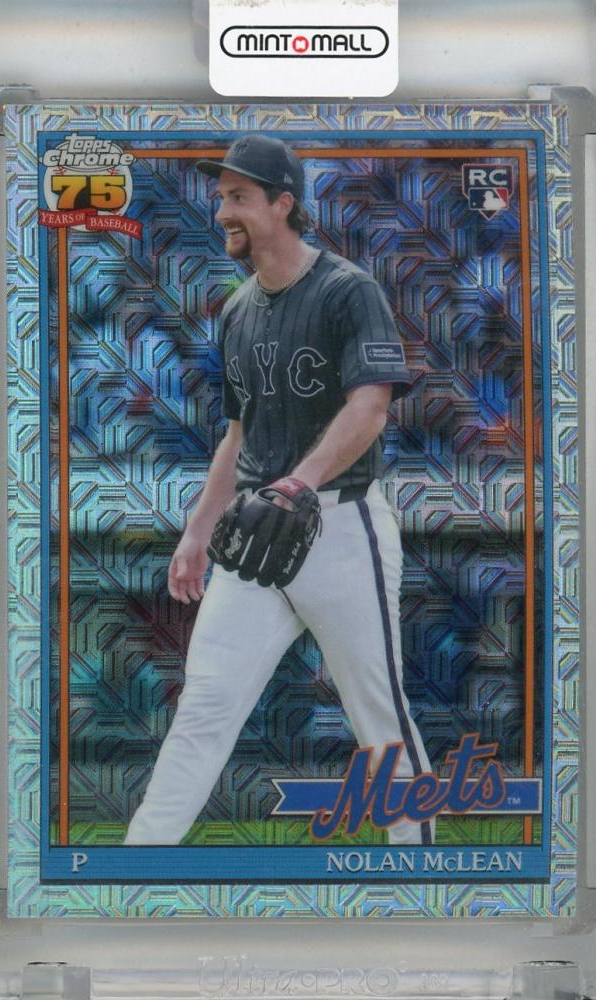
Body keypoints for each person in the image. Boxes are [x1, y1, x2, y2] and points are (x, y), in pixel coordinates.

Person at [125, 135, 433, 846]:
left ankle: (420, 877)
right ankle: (138, 865)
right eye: (221, 197)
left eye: (238, 197)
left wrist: (301, 480)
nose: (221, 211)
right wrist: (197, 530)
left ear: (283, 203)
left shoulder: (348, 290)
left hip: (342, 527)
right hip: (255, 533)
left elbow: (371, 407)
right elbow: (240, 434)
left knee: (377, 713)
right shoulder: (237, 309)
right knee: (204, 706)